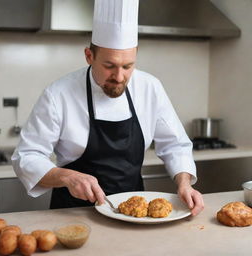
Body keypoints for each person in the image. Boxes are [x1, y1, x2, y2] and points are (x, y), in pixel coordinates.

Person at [11, 0, 204, 216]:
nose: (119, 77)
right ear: (89, 56)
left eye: (128, 66)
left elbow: (175, 145)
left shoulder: (150, 87)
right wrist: (67, 176)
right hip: (74, 214)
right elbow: (27, 156)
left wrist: (184, 183)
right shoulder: (58, 94)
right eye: (109, 66)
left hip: (133, 215)